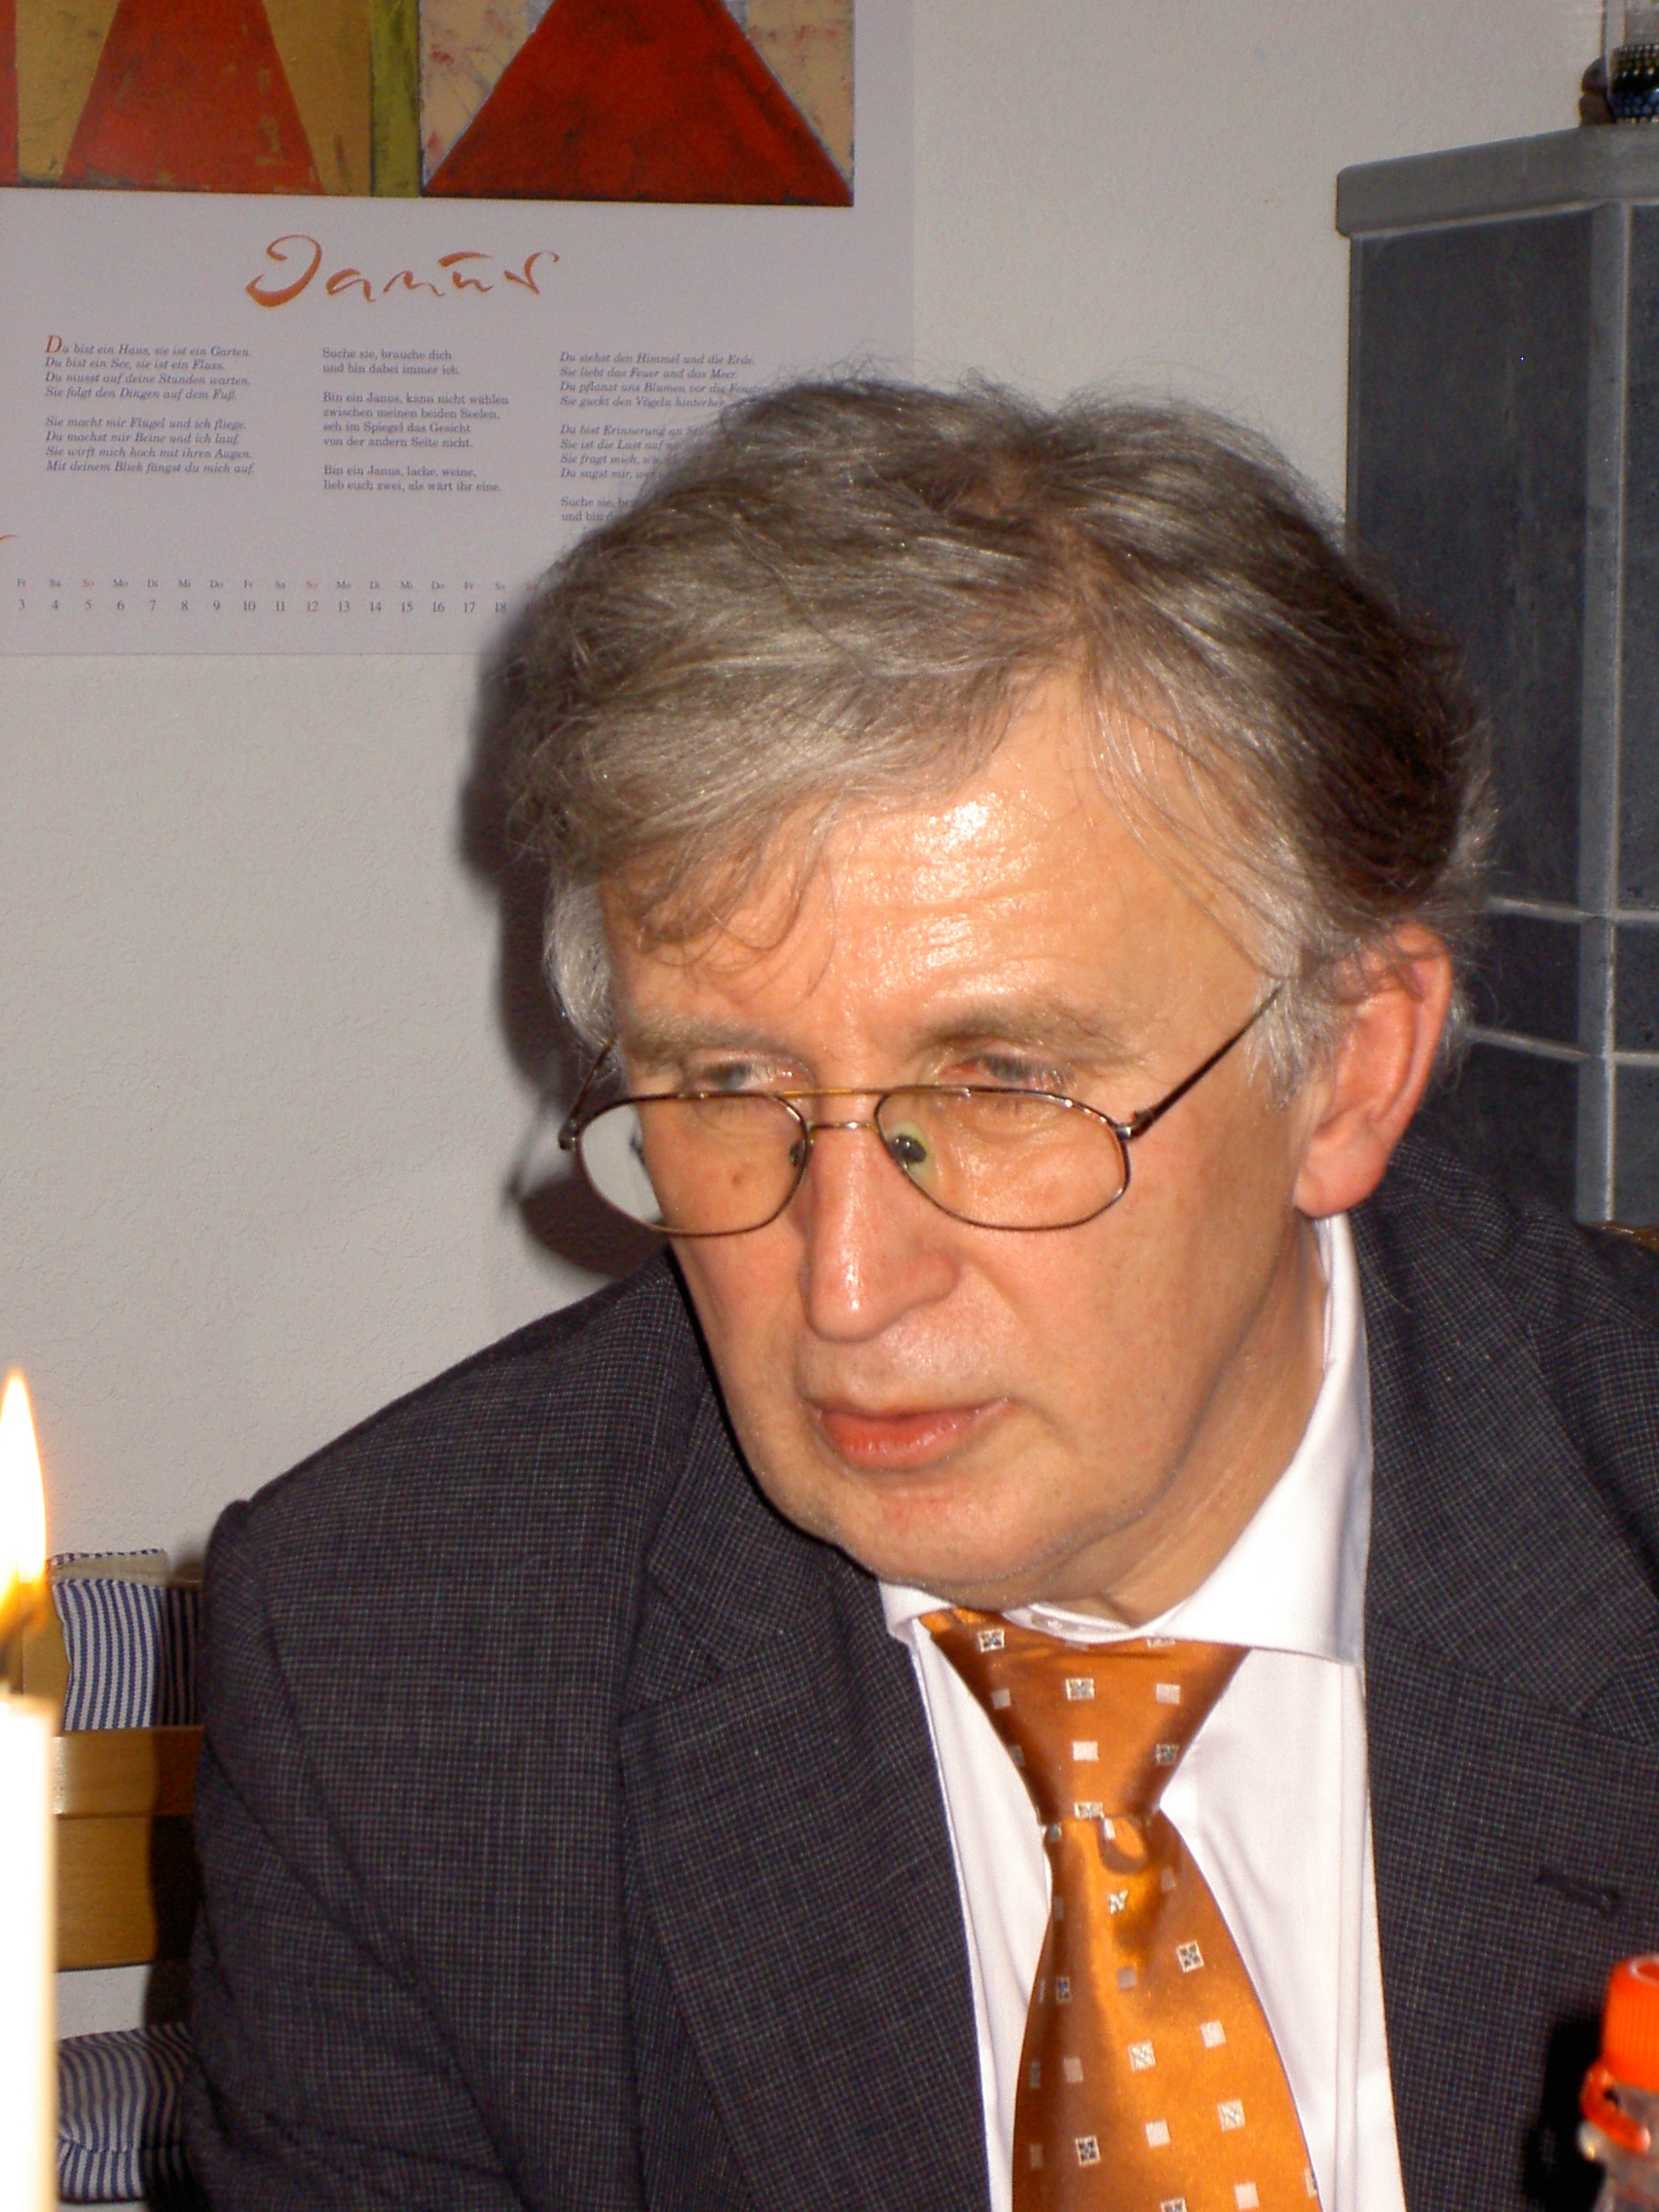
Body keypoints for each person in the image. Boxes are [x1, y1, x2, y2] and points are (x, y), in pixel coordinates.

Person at [185, 383, 1659, 2212]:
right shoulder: (390, 1683)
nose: (846, 1286)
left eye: (1002, 1086)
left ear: (1349, 1070)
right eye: (729, 1087)